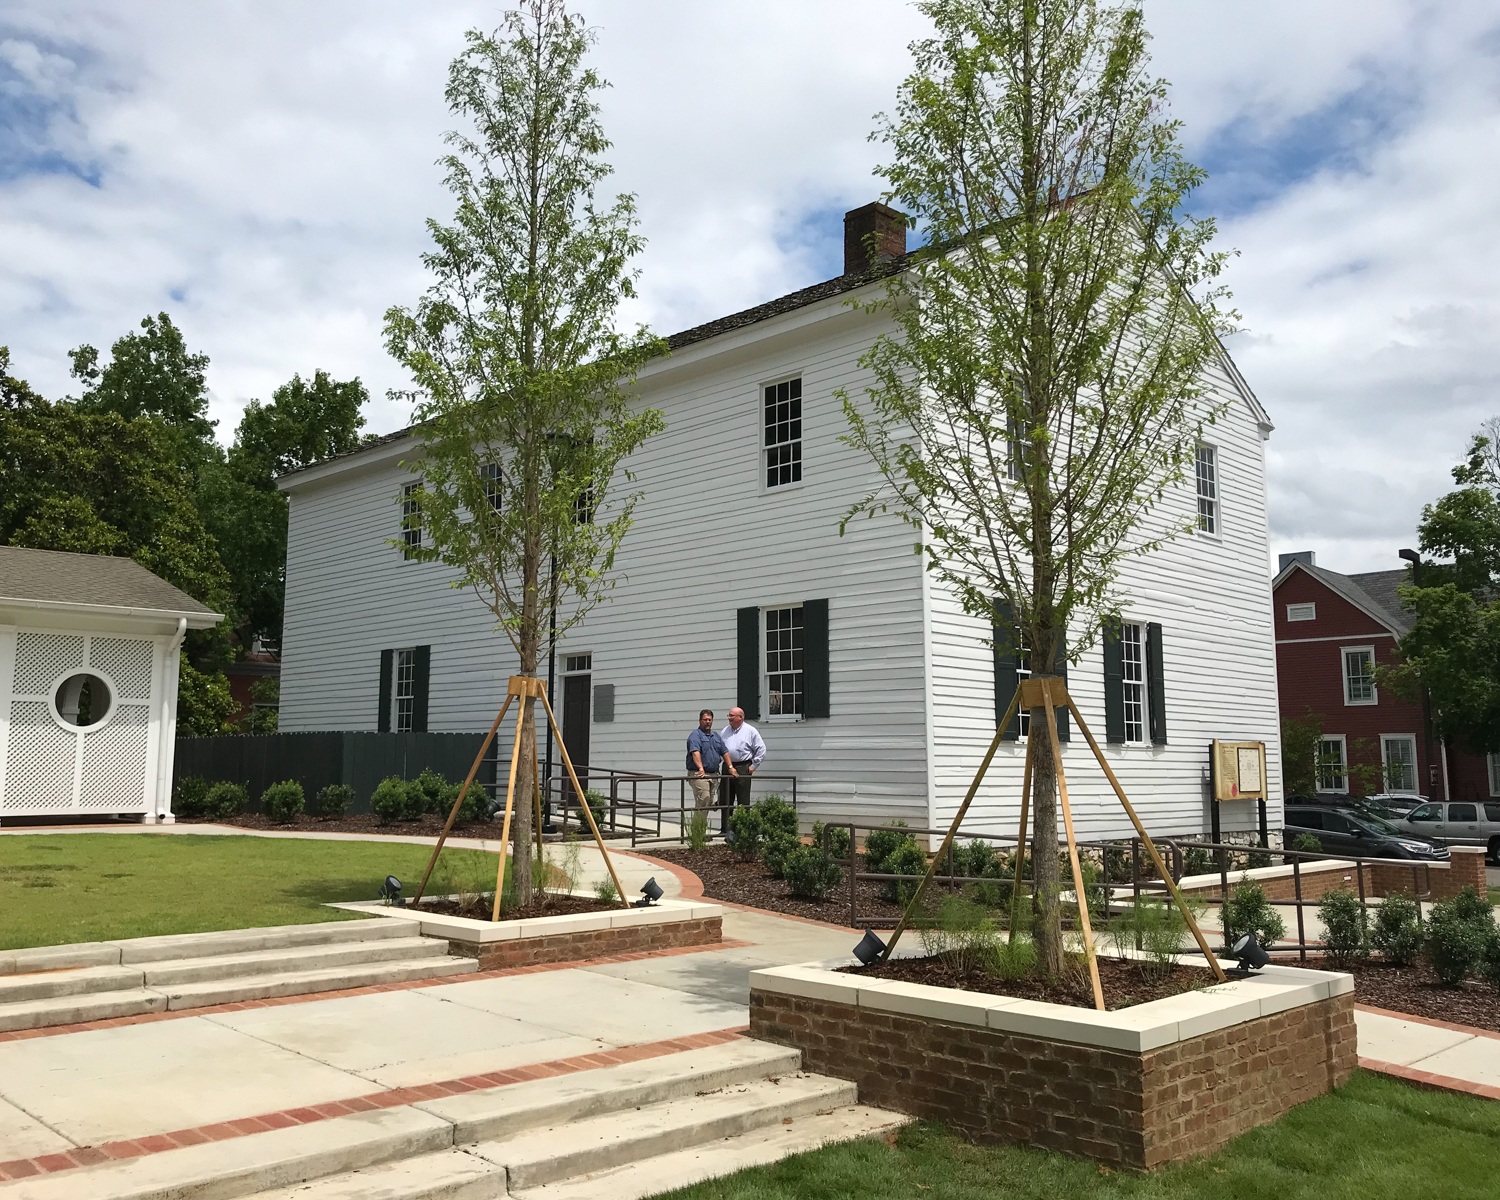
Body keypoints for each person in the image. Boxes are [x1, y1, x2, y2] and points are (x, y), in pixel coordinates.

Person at [719, 706, 766, 833]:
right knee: (726, 799)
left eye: (732, 716)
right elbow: (720, 749)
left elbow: (761, 749)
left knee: (743, 800)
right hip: (727, 767)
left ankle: (743, 829)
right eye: (729, 715)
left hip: (743, 766)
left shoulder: (750, 731)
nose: (729, 718)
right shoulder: (725, 731)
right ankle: (726, 828)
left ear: (740, 717)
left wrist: (753, 766)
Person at [685, 709, 727, 822]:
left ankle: (700, 830)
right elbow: (695, 752)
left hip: (713, 774)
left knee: (708, 803)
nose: (708, 722)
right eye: (705, 720)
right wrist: (700, 768)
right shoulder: (695, 735)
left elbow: (724, 751)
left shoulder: (716, 736)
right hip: (699, 774)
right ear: (700, 721)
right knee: (703, 801)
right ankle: (697, 833)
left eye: (710, 719)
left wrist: (731, 767)